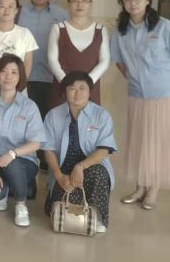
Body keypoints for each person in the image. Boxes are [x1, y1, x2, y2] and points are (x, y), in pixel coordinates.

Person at [110, 0, 170, 210]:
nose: (132, 3)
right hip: (138, 94)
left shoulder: (164, 27)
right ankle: (140, 186)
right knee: (141, 141)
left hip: (166, 95)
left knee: (160, 142)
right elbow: (118, 61)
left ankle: (153, 189)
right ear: (123, 3)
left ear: (147, 1)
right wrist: (133, 78)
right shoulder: (120, 30)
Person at [42, 72, 117, 233]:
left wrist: (80, 167)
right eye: (72, 88)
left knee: (98, 174)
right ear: (65, 91)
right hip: (63, 168)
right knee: (58, 209)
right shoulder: (53, 115)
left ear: (90, 91)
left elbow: (104, 149)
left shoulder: (102, 115)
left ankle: (98, 217)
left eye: (82, 88)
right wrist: (59, 176)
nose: (77, 93)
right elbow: (48, 149)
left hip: (91, 166)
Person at [0, 54, 45, 227]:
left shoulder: (29, 106)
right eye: (3, 71)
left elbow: (36, 143)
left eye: (14, 72)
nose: (8, 76)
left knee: (13, 164)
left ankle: (21, 205)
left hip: (24, 162)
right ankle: (6, 187)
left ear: (20, 77)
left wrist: (13, 153)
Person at [48, 0, 109, 108]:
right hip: (63, 87)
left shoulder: (100, 30)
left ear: (90, 4)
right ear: (68, 4)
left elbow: (105, 60)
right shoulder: (58, 28)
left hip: (91, 88)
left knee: (89, 118)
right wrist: (66, 82)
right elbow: (52, 59)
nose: (79, 4)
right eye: (75, 1)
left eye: (84, 0)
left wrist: (88, 82)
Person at [17, 0, 68, 119]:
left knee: (50, 118)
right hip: (24, 77)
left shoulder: (61, 14)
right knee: (25, 118)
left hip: (52, 77)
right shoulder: (19, 13)